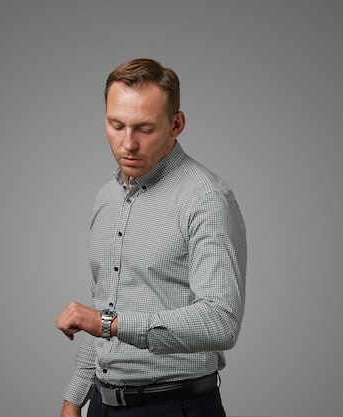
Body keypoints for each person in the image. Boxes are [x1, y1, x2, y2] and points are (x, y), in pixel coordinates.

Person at [55, 58, 247, 417]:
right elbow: (104, 304)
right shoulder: (106, 198)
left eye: (144, 128)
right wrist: (74, 398)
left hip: (175, 406)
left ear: (176, 124)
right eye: (116, 125)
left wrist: (108, 324)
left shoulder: (206, 199)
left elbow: (222, 321)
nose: (128, 143)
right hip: (102, 404)